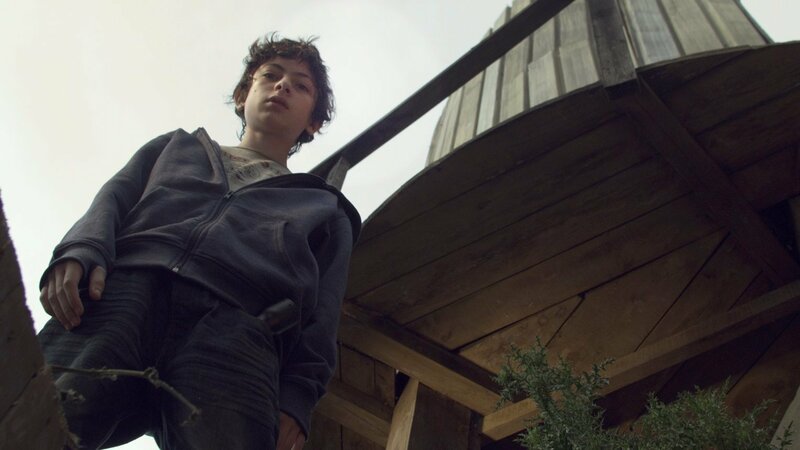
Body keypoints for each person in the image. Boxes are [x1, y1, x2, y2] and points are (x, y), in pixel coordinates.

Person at [37, 34, 360, 450]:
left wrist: (297, 397)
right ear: (243, 94)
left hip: (238, 334)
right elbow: (113, 199)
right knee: (36, 422)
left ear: (312, 122)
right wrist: (81, 250)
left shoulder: (325, 208)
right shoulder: (175, 147)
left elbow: (323, 314)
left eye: (301, 86)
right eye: (271, 75)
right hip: (122, 296)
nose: (282, 86)